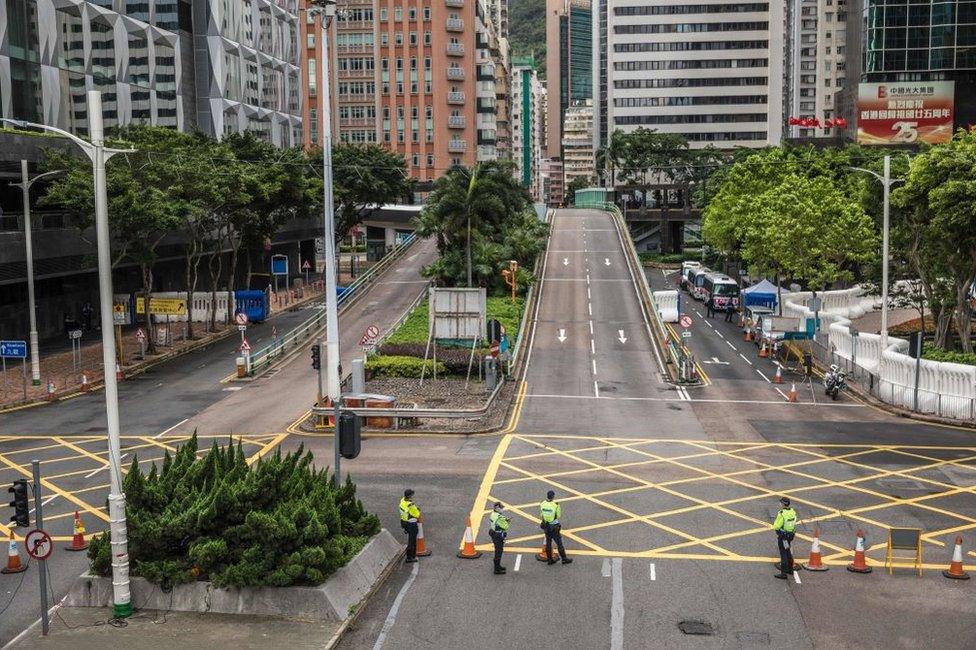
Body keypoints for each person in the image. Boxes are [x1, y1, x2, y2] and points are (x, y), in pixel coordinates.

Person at [540, 490, 573, 565]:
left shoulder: (542, 504)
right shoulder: (556, 505)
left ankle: (550, 560)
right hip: (554, 526)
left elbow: (541, 515)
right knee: (559, 543)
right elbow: (558, 515)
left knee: (548, 543)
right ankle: (564, 559)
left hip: (546, 526)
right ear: (553, 496)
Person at [772, 496, 798, 579]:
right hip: (791, 535)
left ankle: (783, 573)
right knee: (788, 551)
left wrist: (775, 526)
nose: (780, 503)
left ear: (783, 504)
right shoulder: (793, 512)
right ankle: (790, 569)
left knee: (783, 553)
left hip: (783, 536)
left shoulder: (781, 514)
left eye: (781, 502)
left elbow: (776, 526)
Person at [399, 489, 421, 564]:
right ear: (409, 496)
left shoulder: (402, 501)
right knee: (412, 541)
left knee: (411, 540)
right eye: (412, 495)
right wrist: (417, 509)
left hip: (405, 523)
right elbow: (417, 514)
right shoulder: (410, 505)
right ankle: (410, 557)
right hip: (412, 524)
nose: (412, 497)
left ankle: (411, 556)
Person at [488, 502, 510, 575]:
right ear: (497, 509)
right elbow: (506, 526)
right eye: (501, 508)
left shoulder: (493, 514)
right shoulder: (499, 517)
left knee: (498, 550)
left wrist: (504, 520)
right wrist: (507, 521)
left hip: (493, 533)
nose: (502, 509)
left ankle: (498, 566)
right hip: (498, 535)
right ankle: (496, 569)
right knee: (498, 551)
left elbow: (498, 521)